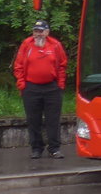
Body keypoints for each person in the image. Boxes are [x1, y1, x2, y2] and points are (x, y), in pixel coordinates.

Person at [13, 19, 68, 159]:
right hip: (31, 88)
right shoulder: (27, 44)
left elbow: (62, 65)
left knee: (53, 120)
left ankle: (54, 148)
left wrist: (60, 85)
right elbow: (18, 65)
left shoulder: (55, 45)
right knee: (33, 120)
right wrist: (22, 84)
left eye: (41, 31)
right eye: (35, 31)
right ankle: (36, 148)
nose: (38, 34)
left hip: (52, 87)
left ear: (47, 32)